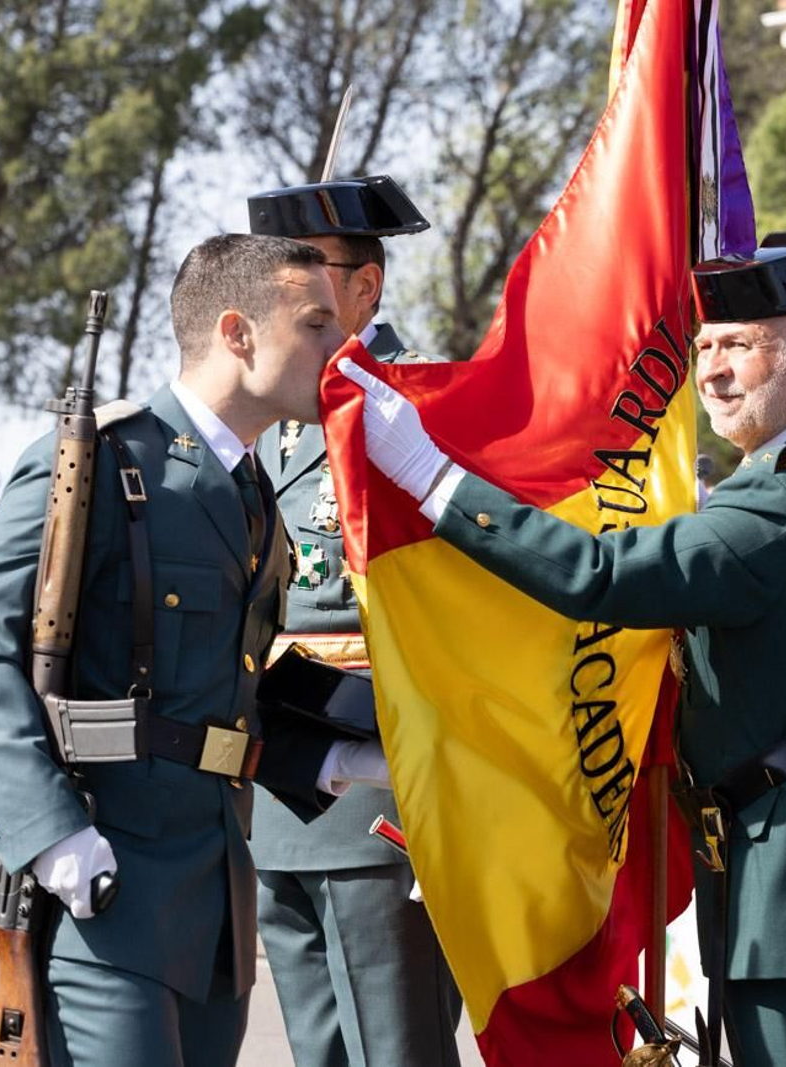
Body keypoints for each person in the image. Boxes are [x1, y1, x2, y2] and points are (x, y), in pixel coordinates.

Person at [341, 230, 786, 1066]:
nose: (713, 369)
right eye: (704, 347)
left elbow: (596, 574)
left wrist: (433, 479)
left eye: (739, 346)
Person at [0, 233, 388, 1066]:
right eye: (317, 323)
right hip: (101, 882)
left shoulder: (253, 490)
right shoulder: (102, 461)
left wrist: (345, 759)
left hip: (211, 896)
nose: (340, 346)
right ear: (238, 332)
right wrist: (50, 833)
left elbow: (218, 695)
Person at [246, 174, 463, 1067]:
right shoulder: (269, 422)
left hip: (382, 779)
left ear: (365, 287)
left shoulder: (426, 407)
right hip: (277, 778)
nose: (280, 290)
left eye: (308, 269)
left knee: (395, 1049)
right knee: (318, 1050)